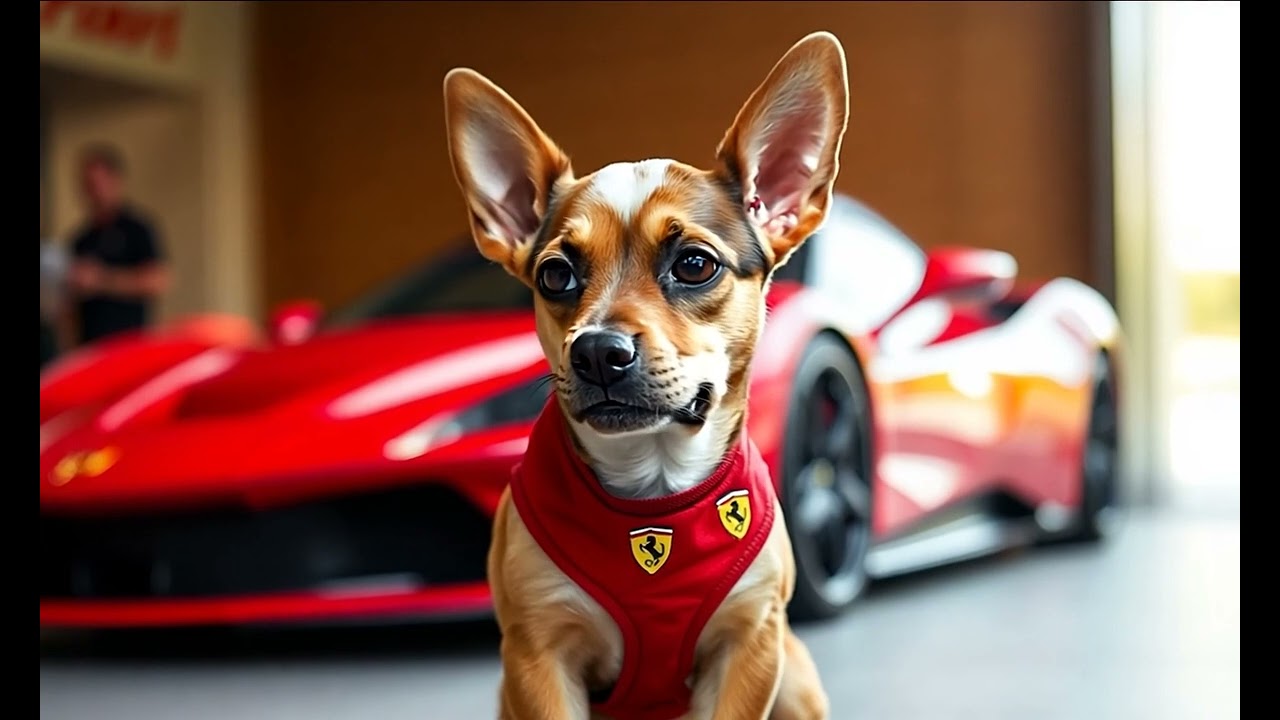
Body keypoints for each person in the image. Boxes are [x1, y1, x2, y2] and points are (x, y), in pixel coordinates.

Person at [65, 144, 170, 346]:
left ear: (115, 180)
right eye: (88, 185)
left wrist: (101, 280)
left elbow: (158, 281)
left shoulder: (137, 228)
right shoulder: (80, 239)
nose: (94, 192)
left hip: (129, 344)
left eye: (98, 183)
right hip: (90, 347)